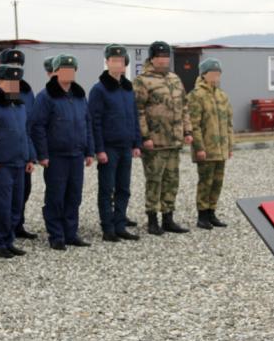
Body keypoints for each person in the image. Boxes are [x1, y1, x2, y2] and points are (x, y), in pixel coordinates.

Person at [31, 54, 94, 250]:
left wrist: (89, 150)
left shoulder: (79, 96)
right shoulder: (45, 97)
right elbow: (38, 126)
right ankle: (56, 234)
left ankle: (71, 233)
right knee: (56, 196)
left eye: (72, 69)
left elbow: (87, 123)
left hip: (76, 154)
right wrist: (42, 154)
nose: (68, 72)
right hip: (56, 156)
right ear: (56, 71)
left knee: (74, 195)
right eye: (64, 69)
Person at [134, 41, 192, 235]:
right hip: (155, 142)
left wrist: (187, 131)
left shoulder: (174, 79)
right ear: (152, 58)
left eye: (166, 56)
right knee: (154, 180)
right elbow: (138, 110)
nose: (163, 60)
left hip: (174, 141)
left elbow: (184, 107)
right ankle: (152, 219)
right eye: (159, 56)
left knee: (172, 180)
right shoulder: (143, 80)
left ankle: (168, 217)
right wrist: (145, 136)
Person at [0, 64, 35, 258]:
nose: (14, 86)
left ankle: (9, 239)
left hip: (19, 162)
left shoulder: (19, 105)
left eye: (17, 82)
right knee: (3, 204)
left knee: (16, 204)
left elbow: (25, 133)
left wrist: (29, 157)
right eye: (10, 82)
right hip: (1, 164)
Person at [89, 44, 141, 242]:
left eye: (121, 61)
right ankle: (108, 228)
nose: (117, 64)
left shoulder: (128, 89)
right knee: (107, 188)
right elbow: (95, 121)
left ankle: (120, 225)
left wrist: (136, 143)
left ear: (125, 64)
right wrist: (99, 149)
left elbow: (134, 117)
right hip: (109, 148)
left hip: (126, 146)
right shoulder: (99, 90)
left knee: (124, 188)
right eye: (113, 61)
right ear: (107, 62)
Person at [187, 58, 233, 230]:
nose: (216, 76)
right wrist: (199, 148)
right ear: (204, 74)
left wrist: (230, 146)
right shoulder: (195, 96)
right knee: (205, 182)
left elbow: (229, 123)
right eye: (212, 73)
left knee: (217, 182)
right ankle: (202, 215)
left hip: (221, 148)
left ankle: (212, 212)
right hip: (206, 148)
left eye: (218, 73)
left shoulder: (222, 96)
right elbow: (194, 125)